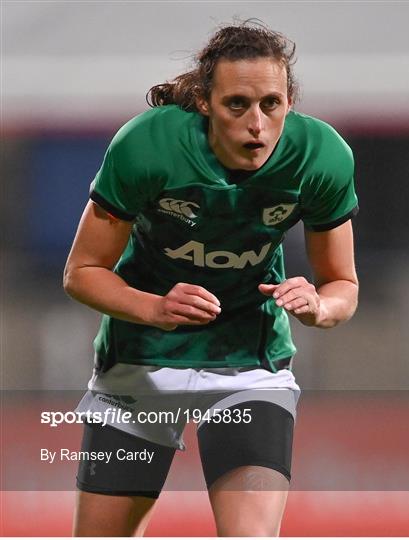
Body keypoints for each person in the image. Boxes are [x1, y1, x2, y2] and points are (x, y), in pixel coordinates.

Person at [64, 20, 359, 537]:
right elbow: (82, 274)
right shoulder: (147, 146)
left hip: (250, 364)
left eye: (271, 104)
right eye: (237, 105)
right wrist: (154, 308)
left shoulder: (320, 157)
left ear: (289, 100)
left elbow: (343, 286)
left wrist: (320, 306)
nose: (257, 125)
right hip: (142, 360)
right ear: (204, 102)